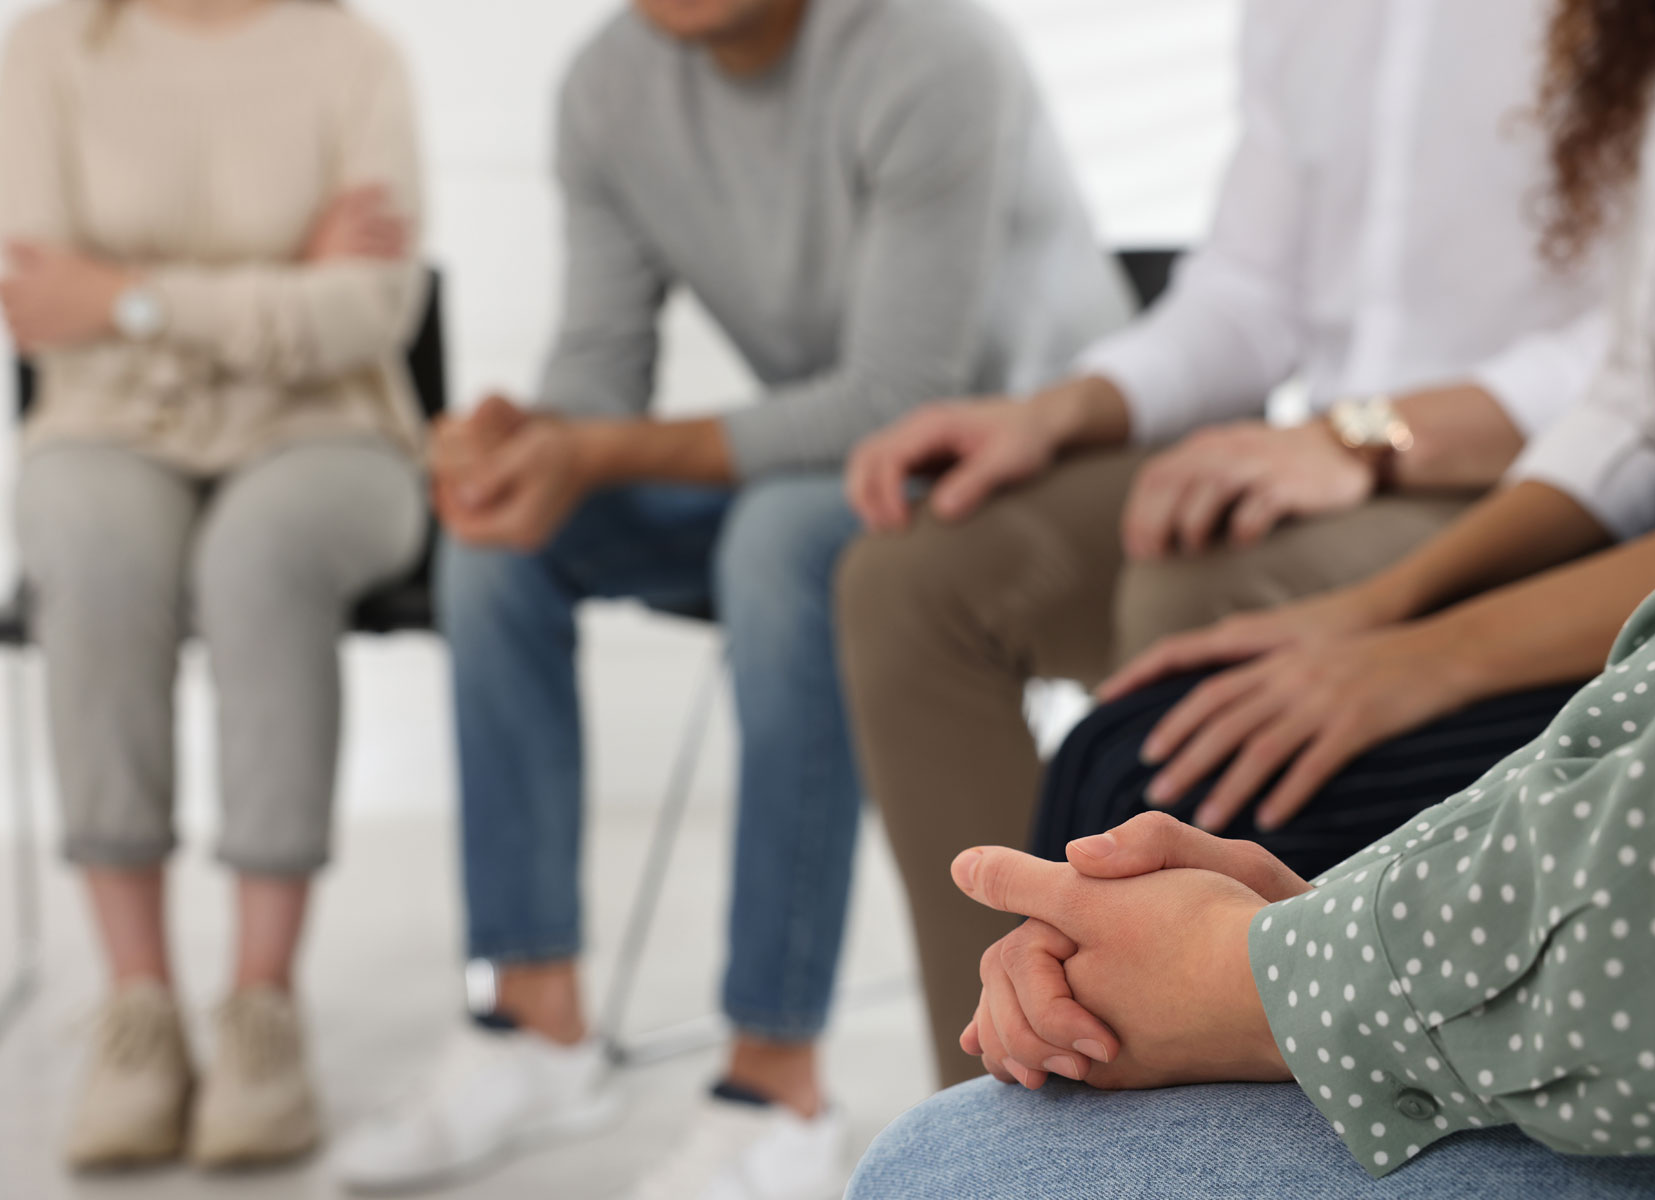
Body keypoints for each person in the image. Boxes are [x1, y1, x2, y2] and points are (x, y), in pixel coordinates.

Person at [328, 0, 1129, 1194]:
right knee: (502, 539)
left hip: (1028, 467)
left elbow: (899, 397)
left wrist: (590, 452)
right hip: (835, 466)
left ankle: (775, 1081)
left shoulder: (932, 50)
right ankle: (533, 1017)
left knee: (780, 540)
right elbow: (600, 374)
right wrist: (532, 443)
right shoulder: (609, 84)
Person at [835, 0, 1607, 1086]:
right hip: (1324, 449)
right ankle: (996, 1102)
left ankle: (1221, 1087)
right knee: (913, 576)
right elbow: (1246, 294)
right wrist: (1060, 411)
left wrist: (1371, 436)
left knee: (1197, 590)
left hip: (1536, 473)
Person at [1030, 0, 1655, 907]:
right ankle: (1028, 1043)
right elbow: (1633, 404)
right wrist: (1377, 611)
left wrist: (1433, 655)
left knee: (1164, 785)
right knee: (1118, 743)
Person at [0, 0, 427, 1171]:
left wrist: (131, 297)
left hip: (334, 436)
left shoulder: (355, 59)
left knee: (261, 554)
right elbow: (39, 302)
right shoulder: (48, 51)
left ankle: (261, 1015)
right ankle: (137, 1013)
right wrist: (280, 280)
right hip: (105, 428)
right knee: (88, 546)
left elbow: (368, 313)